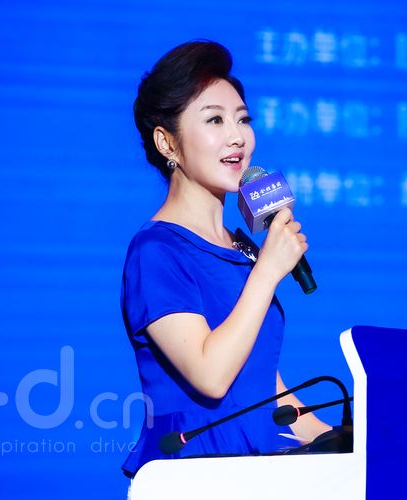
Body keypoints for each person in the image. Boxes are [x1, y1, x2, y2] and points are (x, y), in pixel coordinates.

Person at [120, 40, 331, 478]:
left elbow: (263, 390)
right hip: (198, 474)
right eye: (215, 119)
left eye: (243, 119)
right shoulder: (156, 252)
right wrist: (268, 271)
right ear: (166, 142)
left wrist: (340, 436)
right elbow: (211, 375)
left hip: (262, 472)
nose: (237, 137)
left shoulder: (245, 249)